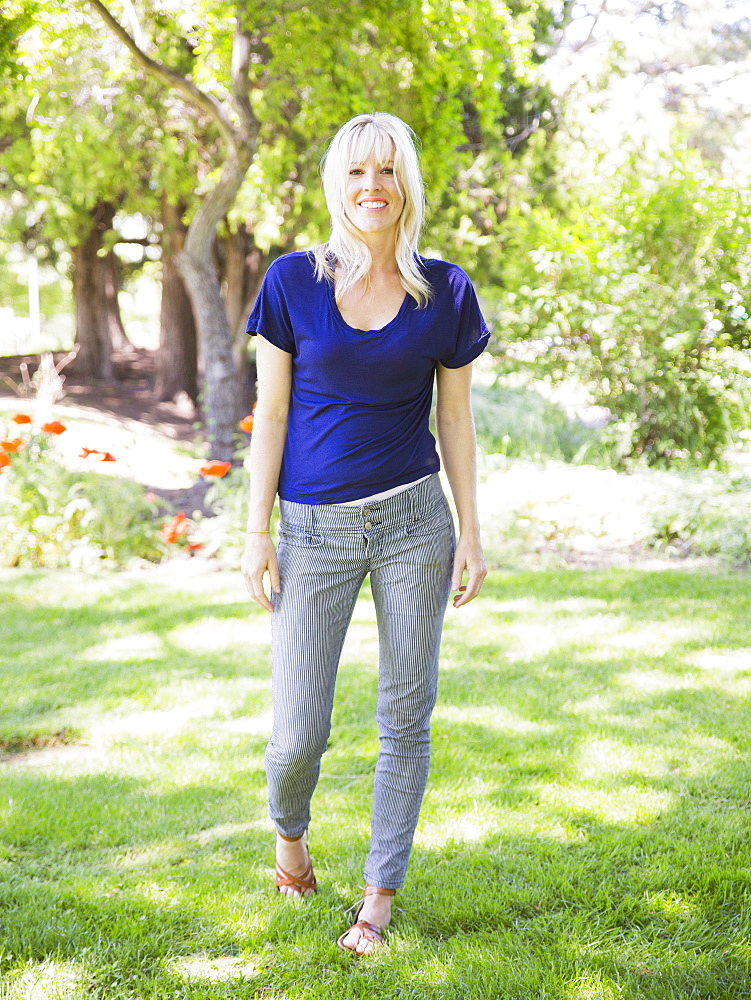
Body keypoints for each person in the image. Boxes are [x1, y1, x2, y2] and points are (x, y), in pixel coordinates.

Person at [242, 111, 489, 955]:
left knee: (405, 717)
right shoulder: (291, 282)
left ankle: (377, 898)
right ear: (335, 184)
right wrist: (256, 534)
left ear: (406, 183)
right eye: (354, 172)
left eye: (385, 171)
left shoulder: (445, 291)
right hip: (311, 532)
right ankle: (290, 842)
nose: (370, 187)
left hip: (416, 525)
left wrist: (470, 532)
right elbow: (269, 412)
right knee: (296, 734)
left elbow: (453, 419)